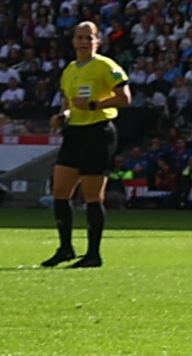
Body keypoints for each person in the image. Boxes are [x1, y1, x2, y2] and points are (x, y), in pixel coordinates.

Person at [45, 20, 129, 269]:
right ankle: (65, 248)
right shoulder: (70, 69)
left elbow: (124, 98)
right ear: (73, 41)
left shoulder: (106, 66)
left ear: (97, 41)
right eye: (80, 37)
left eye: (89, 37)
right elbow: (68, 103)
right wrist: (62, 116)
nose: (84, 41)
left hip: (98, 132)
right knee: (60, 191)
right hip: (74, 133)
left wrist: (94, 105)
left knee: (93, 196)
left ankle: (93, 254)